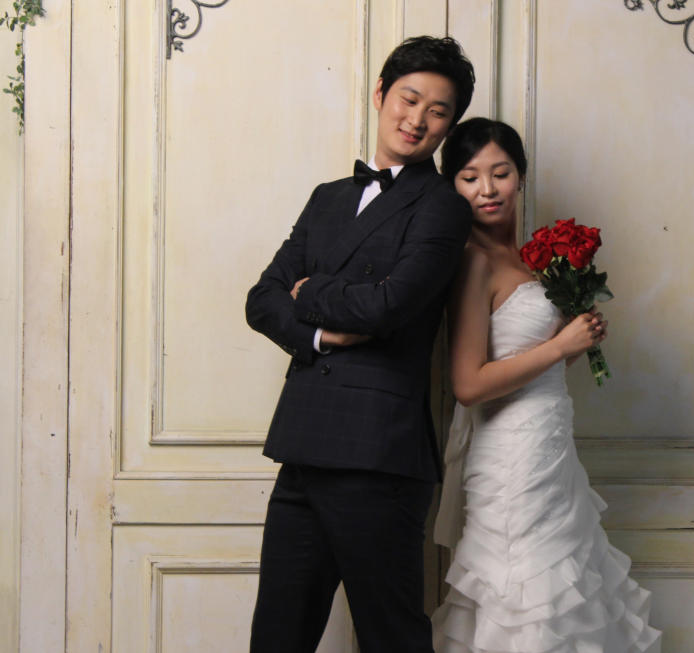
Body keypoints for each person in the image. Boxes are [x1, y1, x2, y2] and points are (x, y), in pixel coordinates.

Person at [245, 36, 474, 653]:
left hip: (378, 453)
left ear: (449, 126)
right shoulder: (328, 198)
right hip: (301, 444)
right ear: (380, 95)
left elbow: (390, 304)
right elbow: (260, 300)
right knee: (276, 636)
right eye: (408, 99)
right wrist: (320, 330)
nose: (418, 119)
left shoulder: (442, 206)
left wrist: (310, 289)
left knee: (391, 636)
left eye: (439, 111)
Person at [430, 118, 662, 652]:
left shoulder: (531, 259)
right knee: (526, 595)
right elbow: (468, 384)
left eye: (500, 173)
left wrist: (575, 346)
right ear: (453, 187)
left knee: (567, 592)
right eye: (468, 178)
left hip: (552, 451)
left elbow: (536, 366)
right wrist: (558, 346)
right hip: (509, 462)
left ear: (522, 177)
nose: (486, 189)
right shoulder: (473, 261)